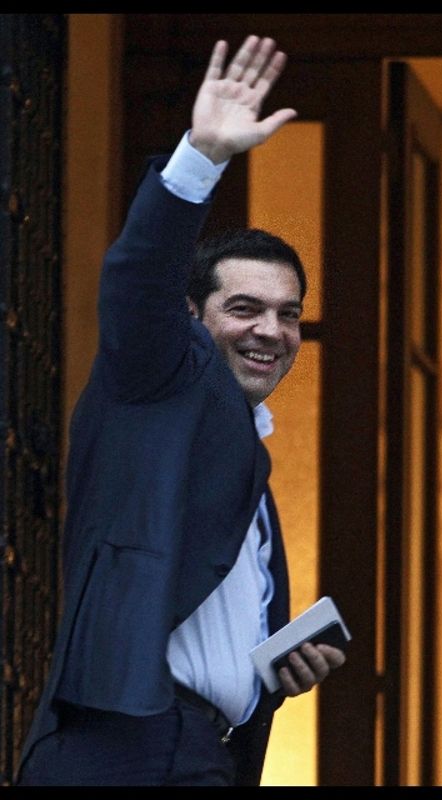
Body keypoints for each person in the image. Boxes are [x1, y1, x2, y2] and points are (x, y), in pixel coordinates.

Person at [16, 34, 346, 787]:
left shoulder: (250, 469)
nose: (271, 331)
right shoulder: (155, 380)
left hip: (204, 753)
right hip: (125, 743)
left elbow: (207, 626)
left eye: (288, 314)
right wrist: (202, 155)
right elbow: (138, 280)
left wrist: (274, 670)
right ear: (191, 317)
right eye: (244, 308)